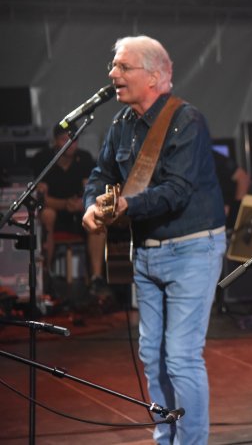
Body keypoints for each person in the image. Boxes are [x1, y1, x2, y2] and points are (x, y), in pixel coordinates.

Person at [82, 35, 226, 444]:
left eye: (123, 67)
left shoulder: (187, 120)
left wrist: (126, 206)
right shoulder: (121, 123)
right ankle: (166, 439)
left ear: (155, 76)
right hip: (145, 253)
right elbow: (100, 175)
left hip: (191, 249)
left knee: (180, 357)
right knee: (152, 356)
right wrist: (91, 206)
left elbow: (176, 191)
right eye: (114, 66)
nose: (112, 73)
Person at [32, 125, 105, 293]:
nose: (70, 144)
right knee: (48, 215)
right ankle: (46, 275)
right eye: (64, 139)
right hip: (53, 213)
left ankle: (96, 277)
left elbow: (90, 190)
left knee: (96, 217)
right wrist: (65, 204)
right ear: (55, 141)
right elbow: (41, 198)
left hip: (77, 214)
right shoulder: (43, 159)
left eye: (74, 139)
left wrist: (82, 204)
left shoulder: (84, 158)